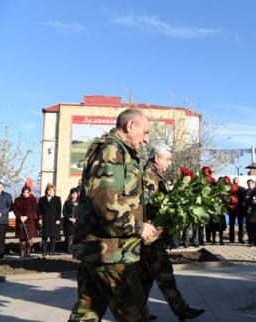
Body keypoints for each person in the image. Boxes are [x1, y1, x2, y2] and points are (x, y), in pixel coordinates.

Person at [69, 109, 157, 322]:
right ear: (130, 126)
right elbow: (106, 202)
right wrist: (138, 228)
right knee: (135, 315)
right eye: (144, 132)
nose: (146, 140)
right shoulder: (113, 151)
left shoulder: (119, 150)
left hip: (100, 249)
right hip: (109, 252)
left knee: (86, 315)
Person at [139, 143, 205, 321]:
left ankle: (138, 314)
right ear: (156, 158)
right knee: (164, 273)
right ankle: (181, 310)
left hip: (152, 236)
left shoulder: (154, 175)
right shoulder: (149, 176)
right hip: (151, 236)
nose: (169, 163)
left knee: (146, 276)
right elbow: (148, 207)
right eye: (167, 159)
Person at [37, 183, 62, 257]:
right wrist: (40, 218)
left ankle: (52, 252)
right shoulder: (42, 199)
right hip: (45, 220)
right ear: (47, 191)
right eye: (50, 190)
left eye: (53, 190)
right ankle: (44, 252)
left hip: (54, 220)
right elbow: (39, 210)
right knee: (44, 237)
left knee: (53, 237)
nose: (52, 192)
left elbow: (59, 210)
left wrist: (58, 219)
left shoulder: (57, 199)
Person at [13, 185, 38, 257]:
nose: (25, 194)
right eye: (24, 192)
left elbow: (34, 210)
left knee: (29, 238)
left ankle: (28, 253)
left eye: (27, 192)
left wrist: (27, 216)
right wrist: (20, 216)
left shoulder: (33, 200)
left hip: (30, 222)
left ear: (29, 192)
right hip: (20, 222)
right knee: (22, 238)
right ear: (22, 192)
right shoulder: (17, 200)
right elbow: (15, 209)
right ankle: (22, 254)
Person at [228, 177, 246, 243]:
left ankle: (241, 239)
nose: (236, 181)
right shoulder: (229, 189)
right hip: (231, 209)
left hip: (240, 210)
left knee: (241, 225)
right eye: (234, 180)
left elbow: (244, 200)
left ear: (239, 181)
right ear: (233, 181)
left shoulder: (242, 189)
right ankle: (231, 239)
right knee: (231, 225)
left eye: (237, 180)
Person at [0, 182, 13, 259]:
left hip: (2, 221)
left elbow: (10, 207)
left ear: (3, 187)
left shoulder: (7, 196)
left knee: (1, 239)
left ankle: (1, 255)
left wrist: (1, 213)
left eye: (0, 187)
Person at [63, 187, 79, 254]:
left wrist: (76, 219)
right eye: (72, 193)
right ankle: (70, 250)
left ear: (77, 194)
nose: (73, 195)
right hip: (69, 223)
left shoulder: (79, 203)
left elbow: (81, 212)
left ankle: (76, 250)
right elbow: (64, 212)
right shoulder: (67, 203)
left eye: (75, 193)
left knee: (77, 237)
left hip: (77, 222)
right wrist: (70, 218)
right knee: (70, 237)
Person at [242, 179, 255, 245]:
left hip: (253, 211)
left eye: (250, 183)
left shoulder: (255, 191)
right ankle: (250, 239)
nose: (249, 184)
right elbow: (244, 199)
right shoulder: (245, 191)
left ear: (253, 184)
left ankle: (253, 240)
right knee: (248, 226)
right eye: (248, 183)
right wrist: (244, 203)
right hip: (246, 211)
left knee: (252, 226)